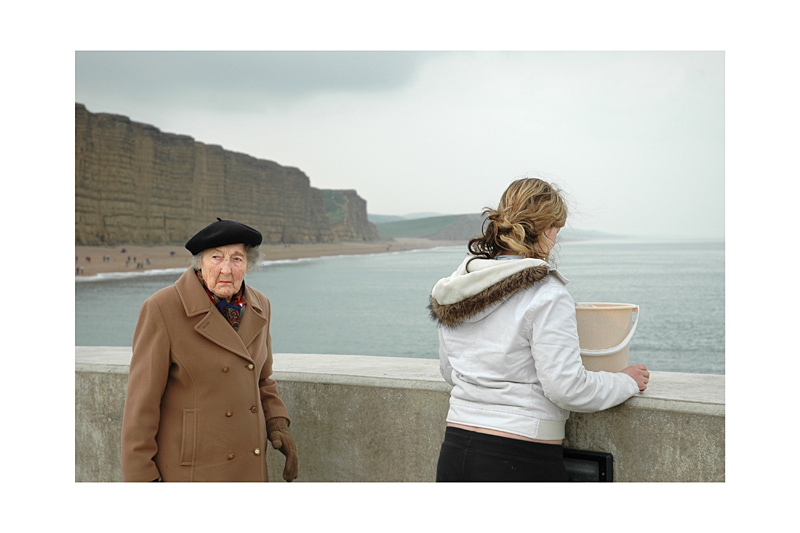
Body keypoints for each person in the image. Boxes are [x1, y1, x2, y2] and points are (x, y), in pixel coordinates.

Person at [429, 178, 649, 482]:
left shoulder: (458, 287)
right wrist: (626, 382)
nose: (556, 239)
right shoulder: (546, 292)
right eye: (556, 228)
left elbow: (450, 371)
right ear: (546, 229)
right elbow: (567, 389)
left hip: (454, 451)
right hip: (520, 458)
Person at [121, 218, 299, 482]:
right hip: (192, 471)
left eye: (237, 259)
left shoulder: (261, 305)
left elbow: (262, 379)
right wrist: (142, 478)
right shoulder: (162, 308)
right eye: (216, 258)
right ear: (199, 263)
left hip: (248, 464)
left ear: (248, 264)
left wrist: (278, 425)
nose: (226, 269)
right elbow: (141, 405)